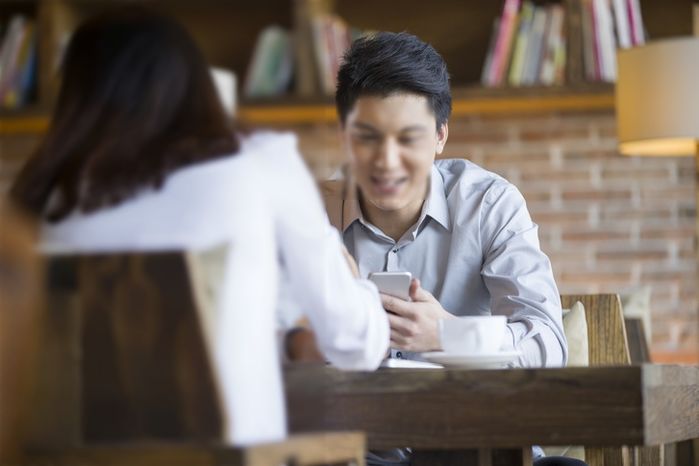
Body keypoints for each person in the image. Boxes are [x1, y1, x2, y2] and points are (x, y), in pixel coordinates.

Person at [9, 9, 389, 447]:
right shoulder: (261, 162)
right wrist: (356, 282)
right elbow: (355, 344)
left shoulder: (38, 203)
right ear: (196, 84)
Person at [324, 31, 578, 466]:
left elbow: (549, 345)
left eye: (409, 139)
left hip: (476, 445)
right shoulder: (312, 217)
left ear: (441, 136)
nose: (387, 161)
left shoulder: (489, 203)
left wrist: (447, 335)